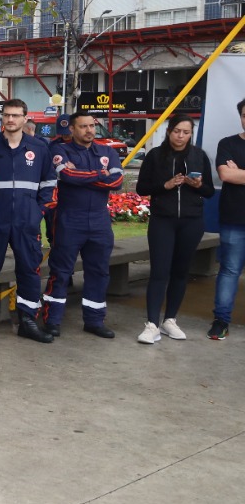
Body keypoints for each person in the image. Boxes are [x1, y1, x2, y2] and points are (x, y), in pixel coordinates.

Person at [0, 99, 56, 344]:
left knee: (29, 269)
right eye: (7, 115)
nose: (10, 120)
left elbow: (49, 182)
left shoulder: (39, 148)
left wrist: (38, 211)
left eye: (15, 115)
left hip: (26, 220)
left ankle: (28, 319)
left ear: (24, 118)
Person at [42, 111, 123, 339]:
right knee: (61, 271)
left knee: (98, 272)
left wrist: (84, 176)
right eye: (83, 126)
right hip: (69, 218)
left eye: (92, 126)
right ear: (72, 130)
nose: (89, 130)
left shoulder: (107, 151)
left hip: (99, 220)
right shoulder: (60, 150)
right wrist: (100, 175)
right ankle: (52, 320)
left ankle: (95, 321)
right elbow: (67, 175)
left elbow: (116, 182)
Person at [134, 114, 214, 343]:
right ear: (169, 131)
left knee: (181, 272)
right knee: (159, 272)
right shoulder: (155, 156)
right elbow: (141, 188)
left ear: (191, 134)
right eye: (177, 131)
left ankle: (170, 320)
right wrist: (165, 185)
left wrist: (198, 185)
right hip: (163, 220)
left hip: (191, 220)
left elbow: (209, 191)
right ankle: (151, 324)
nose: (181, 136)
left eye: (186, 132)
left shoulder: (199, 156)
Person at [210, 98, 245, 340]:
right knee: (229, 271)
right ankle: (221, 321)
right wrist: (232, 173)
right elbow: (225, 174)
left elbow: (234, 174)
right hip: (234, 218)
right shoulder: (227, 143)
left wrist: (239, 172)